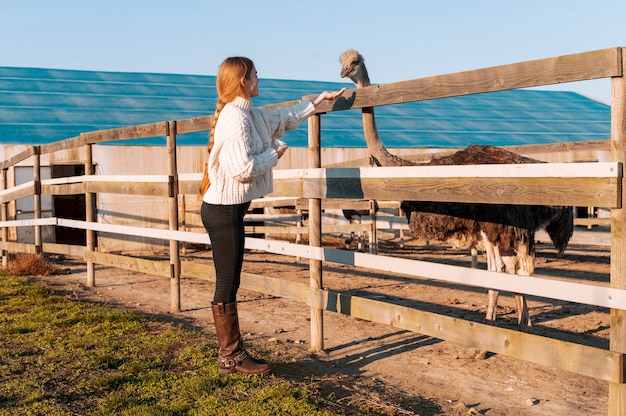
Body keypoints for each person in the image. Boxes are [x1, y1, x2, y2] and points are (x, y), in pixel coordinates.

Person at [200, 56, 345, 375]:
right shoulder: (236, 117)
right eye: (255, 74)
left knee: (230, 280)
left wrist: (317, 101)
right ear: (243, 81)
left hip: (225, 210)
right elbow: (242, 169)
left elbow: (284, 118)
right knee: (227, 282)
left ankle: (232, 355)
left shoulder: (247, 112)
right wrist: (274, 154)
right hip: (223, 212)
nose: (259, 78)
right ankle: (231, 358)